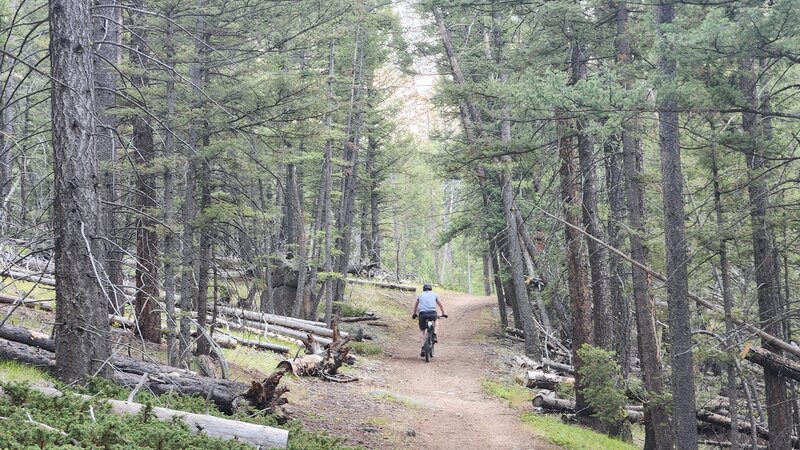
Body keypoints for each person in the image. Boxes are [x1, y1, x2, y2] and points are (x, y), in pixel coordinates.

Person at [412, 284, 446, 357]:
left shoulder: (420, 295)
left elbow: (416, 306)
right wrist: (444, 313)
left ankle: (423, 348)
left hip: (422, 314)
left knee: (423, 332)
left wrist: (414, 314)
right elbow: (441, 305)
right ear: (431, 289)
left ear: (424, 289)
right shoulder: (435, 294)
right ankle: (434, 335)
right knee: (436, 322)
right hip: (432, 313)